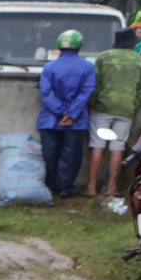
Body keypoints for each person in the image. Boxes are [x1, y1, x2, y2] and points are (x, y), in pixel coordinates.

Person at [86, 25, 141, 198]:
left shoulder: (103, 58)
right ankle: (112, 188)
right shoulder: (139, 61)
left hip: (102, 107)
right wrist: (133, 105)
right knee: (117, 147)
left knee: (97, 145)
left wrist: (92, 104)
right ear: (132, 44)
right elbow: (140, 88)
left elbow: (95, 85)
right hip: (126, 109)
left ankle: (91, 188)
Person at [38, 28, 96, 198]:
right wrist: (71, 114)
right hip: (76, 120)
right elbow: (87, 91)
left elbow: (46, 93)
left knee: (49, 154)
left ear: (59, 47)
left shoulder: (49, 67)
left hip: (50, 118)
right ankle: (65, 188)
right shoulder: (87, 67)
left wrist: (60, 111)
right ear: (79, 47)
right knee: (71, 155)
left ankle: (49, 186)